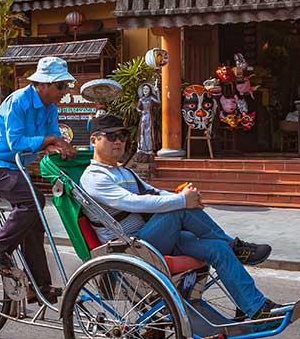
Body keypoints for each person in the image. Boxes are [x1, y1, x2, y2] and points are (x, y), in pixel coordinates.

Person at [78, 114, 288, 321]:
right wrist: (182, 202)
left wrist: (186, 197)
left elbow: (155, 193)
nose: (119, 141)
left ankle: (256, 307)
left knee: (217, 249)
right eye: (111, 136)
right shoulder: (93, 177)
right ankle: (236, 247)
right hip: (129, 246)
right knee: (180, 210)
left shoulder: (124, 172)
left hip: (152, 238)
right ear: (94, 140)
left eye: (122, 136)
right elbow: (133, 202)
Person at [0, 56, 77, 303]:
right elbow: (16, 143)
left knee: (35, 221)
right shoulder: (19, 101)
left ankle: (38, 286)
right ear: (43, 84)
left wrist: (60, 146)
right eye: (60, 86)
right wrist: (50, 142)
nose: (64, 92)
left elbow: (51, 137)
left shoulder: (50, 108)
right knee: (33, 201)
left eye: (66, 86)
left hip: (15, 166)